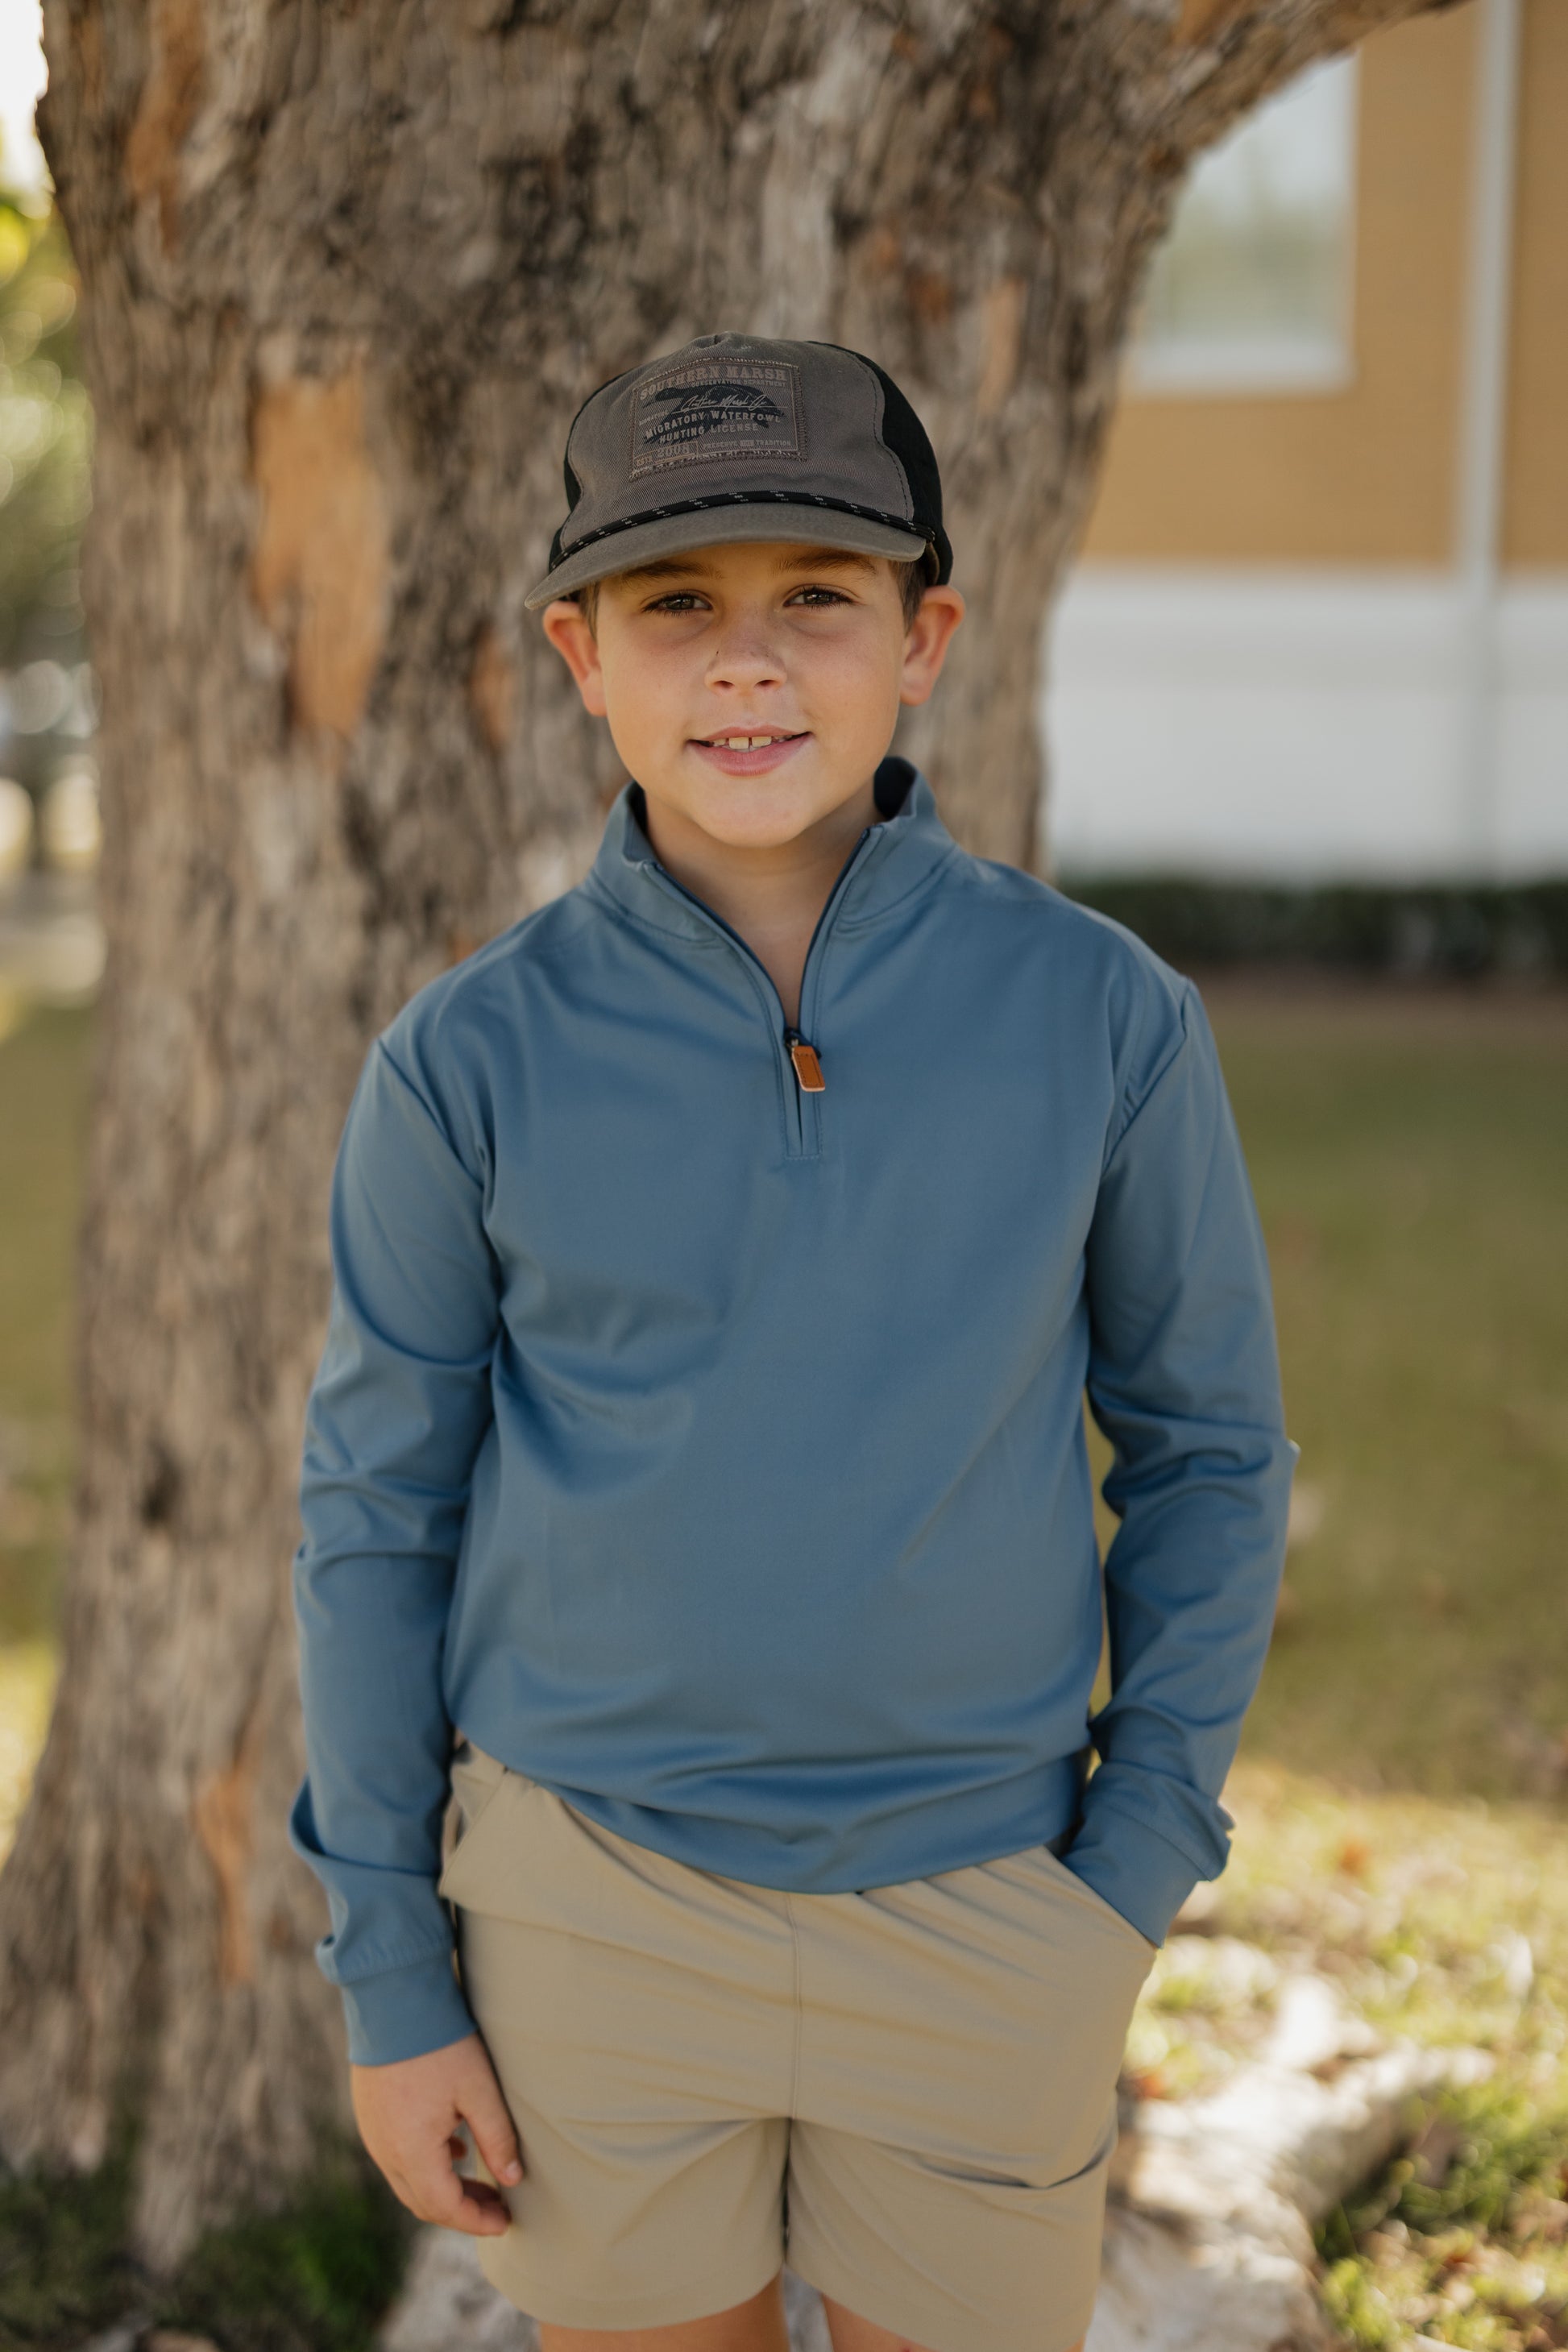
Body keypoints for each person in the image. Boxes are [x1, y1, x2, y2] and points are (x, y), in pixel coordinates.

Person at [287, 331, 1296, 2352]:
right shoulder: (467, 1058)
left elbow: (1206, 1448)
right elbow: (374, 1514)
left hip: (987, 1903)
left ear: (922, 635)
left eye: (812, 600)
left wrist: (1128, 1867)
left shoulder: (1100, 1016)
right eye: (678, 606)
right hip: (590, 1907)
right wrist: (397, 1977)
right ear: (583, 655)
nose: (747, 666)